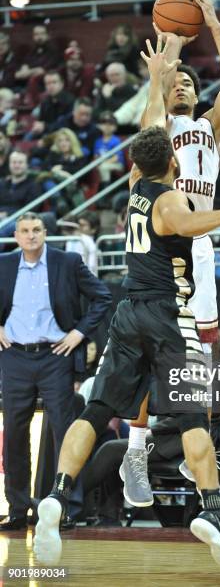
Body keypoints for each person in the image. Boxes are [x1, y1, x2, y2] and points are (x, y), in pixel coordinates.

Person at [32, 125, 220, 573]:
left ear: (135, 163)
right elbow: (184, 223)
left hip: (127, 313)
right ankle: (212, 510)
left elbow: (149, 128)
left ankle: (56, 494)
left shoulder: (134, 189)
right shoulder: (169, 198)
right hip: (167, 315)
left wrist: (158, 80)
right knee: (191, 415)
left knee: (97, 409)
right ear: (174, 163)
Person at [121, 0, 220, 507]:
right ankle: (136, 449)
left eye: (191, 85)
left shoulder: (207, 127)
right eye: (178, 85)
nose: (185, 89)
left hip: (202, 244)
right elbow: (153, 112)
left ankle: (203, 456)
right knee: (155, 354)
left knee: (203, 358)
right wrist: (162, 70)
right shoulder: (157, 134)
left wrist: (214, 25)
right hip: (164, 242)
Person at [0, 212, 111, 531]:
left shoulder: (68, 261)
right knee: (15, 436)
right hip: (15, 357)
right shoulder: (5, 264)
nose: (31, 235)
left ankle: (67, 508)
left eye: (36, 230)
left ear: (45, 233)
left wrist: (79, 333)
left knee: (64, 432)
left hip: (55, 356)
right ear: (17, 236)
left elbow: (102, 297)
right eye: (25, 231)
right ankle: (18, 508)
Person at [30, 71, 75, 138]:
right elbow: (41, 121)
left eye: (54, 82)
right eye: (48, 83)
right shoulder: (45, 102)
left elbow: (66, 125)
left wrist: (45, 127)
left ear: (62, 84)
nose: (51, 86)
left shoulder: (70, 101)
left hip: (64, 136)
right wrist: (38, 126)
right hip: (46, 134)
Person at [94, 112, 125, 186]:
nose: (107, 126)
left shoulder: (116, 140)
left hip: (117, 165)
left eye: (110, 123)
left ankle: (106, 189)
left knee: (104, 167)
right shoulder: (98, 141)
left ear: (115, 126)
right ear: (99, 125)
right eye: (104, 123)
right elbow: (96, 156)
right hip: (102, 165)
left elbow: (117, 157)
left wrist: (104, 163)